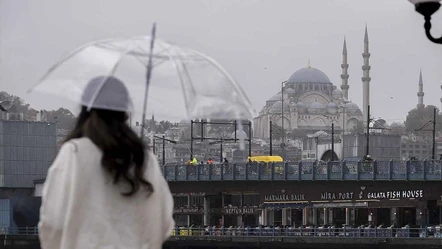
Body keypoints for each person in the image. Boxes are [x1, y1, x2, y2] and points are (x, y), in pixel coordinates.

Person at [38, 76, 174, 249]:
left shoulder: (74, 153)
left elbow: (52, 221)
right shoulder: (145, 159)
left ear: (86, 111)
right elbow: (164, 224)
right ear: (124, 112)